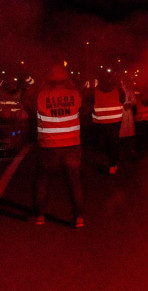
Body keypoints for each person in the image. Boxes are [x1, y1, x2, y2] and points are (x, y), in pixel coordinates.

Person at [31, 63, 84, 228]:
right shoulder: (75, 95)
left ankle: (39, 216)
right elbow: (80, 102)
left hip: (48, 145)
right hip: (72, 144)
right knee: (74, 181)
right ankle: (79, 219)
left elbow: (26, 101)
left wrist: (41, 84)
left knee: (43, 180)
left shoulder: (40, 96)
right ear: (66, 79)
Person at [91, 69, 124, 175]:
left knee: (104, 144)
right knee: (113, 143)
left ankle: (109, 162)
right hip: (115, 121)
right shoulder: (117, 89)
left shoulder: (94, 91)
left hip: (100, 122)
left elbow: (90, 103)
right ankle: (112, 165)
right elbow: (123, 99)